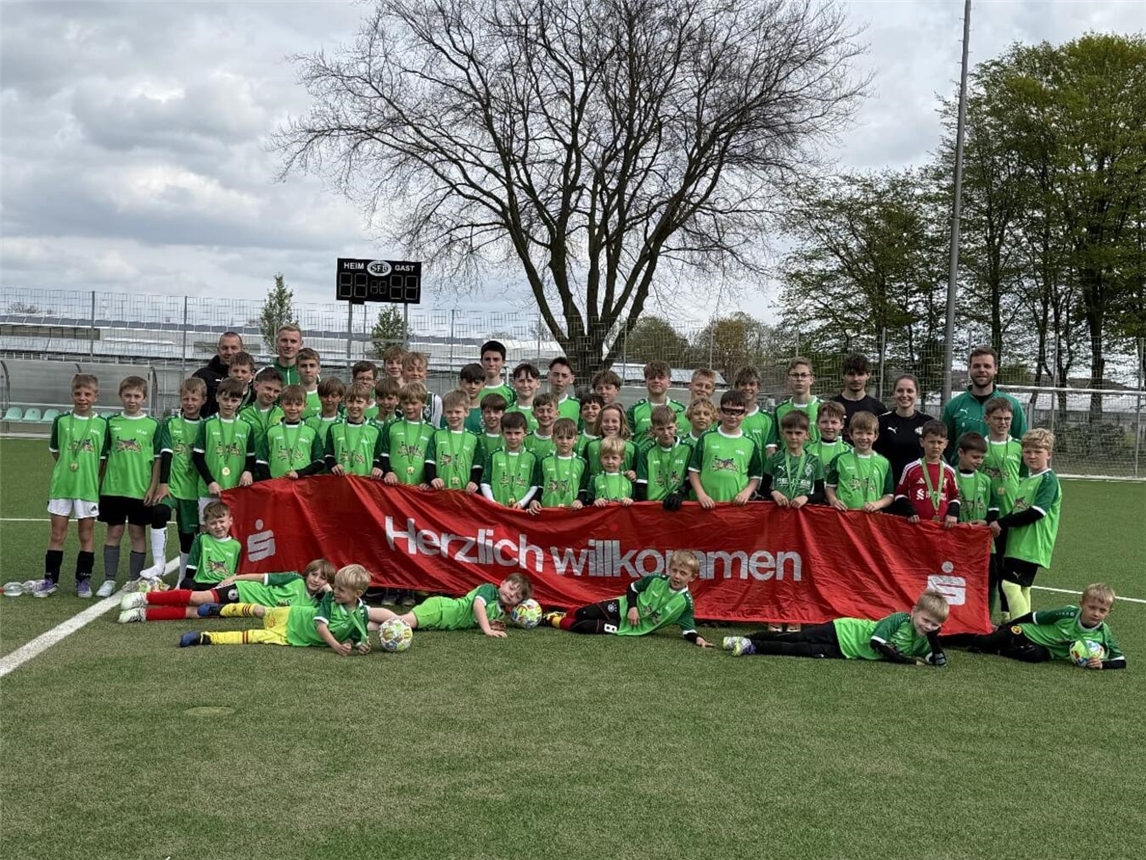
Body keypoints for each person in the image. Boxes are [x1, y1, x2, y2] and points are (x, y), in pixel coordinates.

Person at [179, 564, 373, 655]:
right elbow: (321, 626)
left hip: (294, 638)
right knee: (258, 611)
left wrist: (360, 645)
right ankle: (220, 610)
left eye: (341, 589)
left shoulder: (362, 613)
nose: (334, 591)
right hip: (291, 615)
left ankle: (204, 637)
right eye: (335, 587)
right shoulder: (329, 599)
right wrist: (337, 647)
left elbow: (357, 635)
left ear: (356, 594)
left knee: (254, 636)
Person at [722, 589, 949, 666]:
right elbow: (877, 644)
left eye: (935, 624)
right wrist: (910, 662)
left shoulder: (925, 639)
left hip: (845, 652)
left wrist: (934, 640)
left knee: (798, 650)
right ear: (913, 612)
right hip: (843, 630)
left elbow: (939, 662)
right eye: (925, 620)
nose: (928, 626)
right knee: (795, 637)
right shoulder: (899, 619)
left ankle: (752, 646)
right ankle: (746, 637)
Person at [544, 550, 712, 647]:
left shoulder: (685, 604)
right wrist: (632, 608)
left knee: (583, 626)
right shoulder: (655, 579)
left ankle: (551, 619)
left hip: (627, 627)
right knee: (585, 612)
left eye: (683, 573)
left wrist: (698, 639)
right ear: (669, 569)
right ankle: (563, 613)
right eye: (674, 570)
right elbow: (632, 588)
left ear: (692, 577)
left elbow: (688, 630)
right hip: (622, 606)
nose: (677, 576)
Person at [36, 373, 107, 598]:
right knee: (57, 534)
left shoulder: (102, 424)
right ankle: (50, 580)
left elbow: (103, 459)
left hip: (87, 488)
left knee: (86, 535)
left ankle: (83, 581)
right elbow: (56, 452)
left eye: (87, 394)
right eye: (78, 393)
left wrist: (92, 479)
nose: (82, 398)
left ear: (96, 396)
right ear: (72, 395)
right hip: (62, 486)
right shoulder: (61, 421)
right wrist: (69, 468)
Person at [945, 583, 1124, 669]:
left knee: (1036, 656)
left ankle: (998, 651)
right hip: (1027, 632)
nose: (1096, 613)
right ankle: (942, 639)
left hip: (1047, 650)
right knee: (984, 642)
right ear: (1081, 604)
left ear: (1109, 612)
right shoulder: (1068, 613)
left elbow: (1120, 660)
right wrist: (1007, 626)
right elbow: (1034, 616)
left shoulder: (1104, 632)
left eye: (1102, 610)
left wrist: (1102, 664)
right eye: (1092, 607)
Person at [96, 375, 162, 597]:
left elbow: (157, 460)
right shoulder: (111, 423)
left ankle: (134, 580)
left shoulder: (153, 425)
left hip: (140, 490)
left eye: (136, 396)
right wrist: (98, 484)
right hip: (113, 489)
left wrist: (152, 488)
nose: (132, 400)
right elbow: (103, 457)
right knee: (113, 532)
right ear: (120, 396)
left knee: (137, 534)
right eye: (127, 395)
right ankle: (109, 580)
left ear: (144, 398)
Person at [118, 558, 335, 623]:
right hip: (241, 590)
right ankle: (145, 597)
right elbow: (261, 577)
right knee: (198, 598)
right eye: (314, 575)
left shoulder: (316, 604)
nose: (316, 580)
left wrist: (328, 591)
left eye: (322, 578)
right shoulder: (294, 578)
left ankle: (144, 614)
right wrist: (235, 577)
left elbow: (333, 607)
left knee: (196, 613)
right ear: (307, 573)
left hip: (243, 609)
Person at [992, 428, 1062, 620]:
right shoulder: (1025, 480)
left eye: (1038, 452)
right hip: (1018, 544)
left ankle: (1022, 631)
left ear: (1049, 454)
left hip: (1031, 544)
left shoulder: (1048, 480)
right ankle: (1020, 628)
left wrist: (1002, 523)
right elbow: (1017, 511)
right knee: (1022, 587)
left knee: (1009, 584)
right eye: (1027, 451)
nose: (1032, 456)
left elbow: (1037, 512)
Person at [152, 377, 207, 586]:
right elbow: (165, 453)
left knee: (187, 537)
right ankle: (159, 563)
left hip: (194, 491)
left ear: (203, 400)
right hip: (172, 486)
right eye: (185, 398)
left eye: (194, 399)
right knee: (159, 512)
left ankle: (182, 577)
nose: (190, 403)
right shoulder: (170, 423)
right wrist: (163, 484)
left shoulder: (206, 425)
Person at [368, 574, 532, 639]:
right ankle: (364, 610)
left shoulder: (500, 611)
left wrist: (490, 623)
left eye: (517, 596)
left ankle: (360, 621)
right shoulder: (489, 590)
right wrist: (487, 630)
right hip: (442, 610)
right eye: (511, 588)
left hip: (443, 621)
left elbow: (476, 618)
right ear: (502, 583)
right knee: (401, 621)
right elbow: (477, 606)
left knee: (392, 626)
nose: (511, 594)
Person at [942, 346, 1027, 463]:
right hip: (965, 478)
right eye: (976, 366)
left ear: (995, 369)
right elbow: (946, 445)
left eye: (987, 366)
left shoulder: (1012, 405)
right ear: (969, 369)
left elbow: (1023, 444)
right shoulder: (954, 405)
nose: (982, 370)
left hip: (1001, 478)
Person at [192, 378, 256, 519]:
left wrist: (248, 471)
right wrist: (210, 481)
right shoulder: (207, 424)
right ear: (217, 398)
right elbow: (197, 457)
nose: (229, 404)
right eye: (225, 399)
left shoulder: (246, 427)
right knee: (207, 529)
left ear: (240, 401)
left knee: (232, 530)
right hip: (210, 489)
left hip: (235, 490)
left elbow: (251, 457)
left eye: (234, 401)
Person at [689, 389, 762, 509]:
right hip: (705, 505)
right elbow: (693, 470)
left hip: (734, 507)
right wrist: (701, 495)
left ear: (745, 413)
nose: (732, 416)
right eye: (728, 411)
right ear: (719, 412)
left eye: (737, 412)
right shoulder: (706, 437)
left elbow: (755, 476)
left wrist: (746, 493)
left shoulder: (751, 443)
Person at [892, 420, 960, 527]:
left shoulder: (950, 471)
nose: (936, 446)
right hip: (916, 527)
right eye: (931, 442)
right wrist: (910, 511)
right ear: (922, 442)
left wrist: (953, 513)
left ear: (946, 444)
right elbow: (899, 494)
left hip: (942, 528)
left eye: (940, 442)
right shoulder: (911, 468)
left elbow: (955, 496)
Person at [825, 411, 894, 513]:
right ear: (851, 434)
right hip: (845, 517)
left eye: (869, 433)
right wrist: (833, 500)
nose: (864, 437)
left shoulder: (884, 463)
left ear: (875, 436)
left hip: (872, 518)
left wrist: (877, 504)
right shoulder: (840, 459)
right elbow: (830, 487)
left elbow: (889, 495)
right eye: (859, 433)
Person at [258, 385, 326, 480]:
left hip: (302, 486)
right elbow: (261, 461)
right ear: (281, 405)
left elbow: (319, 462)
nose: (293, 408)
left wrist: (300, 473)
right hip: (277, 486)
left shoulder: (311, 432)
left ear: (304, 406)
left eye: (298, 404)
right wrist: (270, 482)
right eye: (288, 404)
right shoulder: (271, 431)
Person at [874, 373, 934, 483]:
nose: (904, 395)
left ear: (917, 394)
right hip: (888, 485)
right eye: (900, 390)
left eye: (910, 391)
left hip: (919, 485)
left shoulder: (928, 422)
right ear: (893, 393)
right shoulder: (881, 422)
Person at [760, 410, 824, 509]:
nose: (793, 437)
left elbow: (821, 494)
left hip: (804, 516)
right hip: (779, 513)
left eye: (798, 433)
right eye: (789, 433)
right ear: (782, 433)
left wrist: (806, 497)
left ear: (807, 435)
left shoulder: (814, 461)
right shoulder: (774, 458)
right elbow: (763, 489)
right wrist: (774, 493)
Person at [380, 382, 436, 486]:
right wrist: (388, 472)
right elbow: (384, 454)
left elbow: (432, 461)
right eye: (405, 403)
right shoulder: (392, 426)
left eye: (414, 403)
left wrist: (427, 481)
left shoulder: (431, 430)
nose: (409, 407)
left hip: (419, 489)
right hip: (395, 485)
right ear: (400, 403)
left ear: (423, 403)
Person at [636, 405, 692, 507]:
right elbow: (641, 485)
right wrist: (647, 507)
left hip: (679, 506)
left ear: (676, 426)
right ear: (653, 429)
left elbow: (691, 479)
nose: (666, 433)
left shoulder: (688, 449)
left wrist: (678, 494)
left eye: (669, 428)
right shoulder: (646, 452)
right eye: (660, 429)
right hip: (655, 506)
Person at [528, 417, 589, 512]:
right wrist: (534, 500)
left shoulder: (582, 463)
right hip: (548, 511)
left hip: (571, 513)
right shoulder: (545, 461)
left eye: (569, 438)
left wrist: (579, 500)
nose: (564, 441)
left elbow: (583, 489)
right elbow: (540, 486)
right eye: (560, 437)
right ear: (553, 438)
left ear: (576, 439)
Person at [325, 382, 385, 479]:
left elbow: (378, 457)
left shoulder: (375, 430)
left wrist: (378, 467)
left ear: (368, 403)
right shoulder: (334, 427)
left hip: (364, 485)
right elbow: (328, 454)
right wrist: (333, 465)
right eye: (350, 401)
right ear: (344, 402)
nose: (354, 406)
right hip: (340, 482)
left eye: (359, 402)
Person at [427, 389, 482, 493]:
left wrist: (474, 482)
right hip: (441, 492)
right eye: (449, 412)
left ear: (466, 412)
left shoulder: (473, 438)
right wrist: (433, 478)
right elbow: (429, 462)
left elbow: (477, 466)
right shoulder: (437, 435)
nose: (453, 416)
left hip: (465, 493)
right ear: (443, 413)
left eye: (457, 412)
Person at [481, 411, 538, 508]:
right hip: (497, 509)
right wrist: (492, 502)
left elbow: (534, 485)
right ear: (502, 432)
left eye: (517, 433)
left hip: (521, 510)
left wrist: (522, 503)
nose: (513, 437)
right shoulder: (494, 456)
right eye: (508, 433)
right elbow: (485, 483)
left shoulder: (532, 458)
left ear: (525, 432)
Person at [183, 501, 242, 591]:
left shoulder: (236, 545)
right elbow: (192, 564)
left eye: (221, 521)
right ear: (206, 525)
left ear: (230, 521)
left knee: (234, 591)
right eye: (213, 523)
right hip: (200, 583)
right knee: (186, 584)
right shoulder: (202, 539)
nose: (218, 526)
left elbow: (237, 572)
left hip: (222, 585)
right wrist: (188, 580)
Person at [627, 359, 686, 443]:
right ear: (645, 382)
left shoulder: (681, 410)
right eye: (651, 378)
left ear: (669, 382)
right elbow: (628, 442)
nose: (656, 380)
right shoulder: (634, 410)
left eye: (661, 377)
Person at [831, 353, 886, 439]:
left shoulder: (878, 408)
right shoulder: (832, 406)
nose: (856, 379)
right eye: (851, 374)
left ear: (868, 375)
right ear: (843, 375)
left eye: (860, 374)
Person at [193, 331, 243, 417]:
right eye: (225, 348)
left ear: (242, 349)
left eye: (234, 348)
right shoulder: (203, 376)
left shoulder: (252, 377)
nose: (229, 352)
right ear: (218, 349)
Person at [774, 357, 823, 443]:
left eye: (804, 375)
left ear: (811, 379)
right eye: (795, 375)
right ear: (788, 379)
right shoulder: (779, 410)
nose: (799, 379)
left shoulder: (823, 407)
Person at [584, 403, 637, 479]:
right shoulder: (591, 446)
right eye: (606, 421)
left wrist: (633, 473)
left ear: (621, 423)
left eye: (614, 421)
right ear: (600, 423)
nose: (610, 424)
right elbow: (585, 473)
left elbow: (638, 471)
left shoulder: (632, 447)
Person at [238, 367, 284, 451]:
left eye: (276, 391)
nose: (271, 394)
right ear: (256, 385)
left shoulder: (282, 413)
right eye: (268, 389)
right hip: (249, 461)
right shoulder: (243, 414)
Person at [735, 366, 776, 457]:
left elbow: (770, 451)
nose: (747, 387)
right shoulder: (728, 416)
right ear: (736, 386)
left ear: (758, 387)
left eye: (752, 384)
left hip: (758, 471)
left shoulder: (767, 419)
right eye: (743, 384)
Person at [954, 432, 993, 526]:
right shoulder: (950, 476)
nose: (979, 462)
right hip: (956, 533)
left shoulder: (985, 480)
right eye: (975, 457)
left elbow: (993, 505)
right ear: (960, 452)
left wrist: (986, 521)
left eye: (982, 458)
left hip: (979, 533)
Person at [588, 435, 634, 507]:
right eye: (606, 457)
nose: (610, 461)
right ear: (600, 458)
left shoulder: (628, 480)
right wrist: (595, 502)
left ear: (622, 459)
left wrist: (630, 501)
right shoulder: (595, 479)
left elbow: (636, 502)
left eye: (614, 458)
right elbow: (587, 504)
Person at [402, 351, 443, 428]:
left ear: (425, 373)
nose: (415, 373)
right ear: (403, 372)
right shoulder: (396, 398)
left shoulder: (435, 400)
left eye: (419, 370)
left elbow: (437, 429)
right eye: (410, 370)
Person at [305, 376, 345, 455]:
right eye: (325, 396)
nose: (329, 400)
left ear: (340, 398)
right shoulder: (309, 421)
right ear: (319, 397)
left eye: (334, 396)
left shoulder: (344, 422)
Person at [806, 400, 851, 468]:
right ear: (817, 423)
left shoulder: (848, 451)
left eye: (834, 422)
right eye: (824, 422)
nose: (829, 426)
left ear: (841, 424)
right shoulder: (808, 450)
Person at [479, 340, 516, 407]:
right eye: (487, 359)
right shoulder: (472, 391)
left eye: (496, 359)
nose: (491, 364)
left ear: (503, 362)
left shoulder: (511, 393)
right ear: (481, 361)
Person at [505, 362, 541, 431]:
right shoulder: (506, 411)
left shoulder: (545, 413)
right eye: (521, 381)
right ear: (513, 383)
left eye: (529, 381)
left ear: (538, 384)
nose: (525, 385)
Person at [524, 392, 558, 461]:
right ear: (534, 414)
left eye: (549, 411)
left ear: (557, 414)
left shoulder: (562, 439)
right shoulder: (526, 440)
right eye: (541, 411)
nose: (545, 415)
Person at [477, 392, 508, 464]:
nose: (491, 415)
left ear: (503, 413)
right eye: (488, 412)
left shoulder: (508, 439)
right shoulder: (477, 439)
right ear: (482, 413)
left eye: (496, 412)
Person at [547, 357, 581, 423]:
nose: (559, 379)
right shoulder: (536, 404)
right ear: (548, 376)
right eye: (555, 375)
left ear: (572, 379)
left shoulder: (578, 405)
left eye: (564, 376)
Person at [458, 362, 488, 432]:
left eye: (477, 383)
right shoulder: (452, 411)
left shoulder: (488, 412)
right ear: (460, 383)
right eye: (468, 382)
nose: (472, 386)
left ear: (483, 385)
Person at [296, 347, 322, 419]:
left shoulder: (326, 394)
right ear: (296, 369)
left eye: (312, 366)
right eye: (303, 366)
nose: (308, 370)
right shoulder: (290, 393)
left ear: (319, 368)